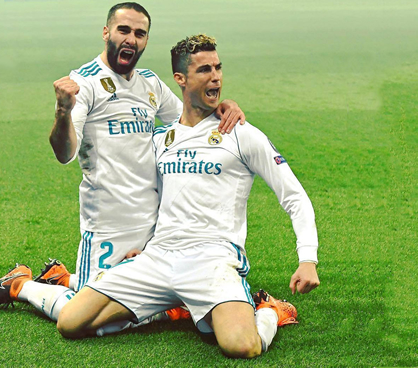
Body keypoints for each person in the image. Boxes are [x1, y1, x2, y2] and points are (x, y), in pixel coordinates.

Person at [53, 33, 318, 358]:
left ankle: (269, 312)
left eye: (218, 68)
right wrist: (147, 245)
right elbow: (158, 197)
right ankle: (183, 306)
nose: (216, 76)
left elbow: (293, 196)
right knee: (70, 322)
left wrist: (308, 259)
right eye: (204, 69)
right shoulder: (160, 139)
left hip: (212, 259)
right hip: (158, 258)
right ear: (181, 79)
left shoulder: (240, 134)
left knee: (241, 346)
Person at [47, 2, 244, 293]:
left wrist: (222, 106)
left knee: (159, 301)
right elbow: (64, 154)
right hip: (108, 225)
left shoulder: (150, 84)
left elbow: (190, 120)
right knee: (90, 317)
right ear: (106, 32)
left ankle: (63, 278)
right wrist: (63, 111)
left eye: (139, 33)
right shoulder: (84, 83)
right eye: (123, 30)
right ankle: (22, 286)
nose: (131, 39)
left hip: (154, 225)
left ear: (146, 40)